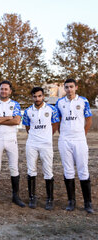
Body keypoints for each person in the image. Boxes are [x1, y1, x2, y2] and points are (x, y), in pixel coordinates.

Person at [55, 79, 93, 213]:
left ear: (76, 87)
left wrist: (83, 134)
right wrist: (64, 133)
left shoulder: (84, 101)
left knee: (83, 170)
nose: (69, 89)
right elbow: (58, 120)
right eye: (67, 87)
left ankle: (88, 203)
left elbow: (88, 119)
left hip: (80, 140)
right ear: (64, 89)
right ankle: (71, 201)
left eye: (71, 87)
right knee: (68, 170)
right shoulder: (59, 102)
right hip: (65, 140)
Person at [0, 80, 25, 207]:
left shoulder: (15, 104)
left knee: (14, 167)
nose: (3, 91)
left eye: (6, 89)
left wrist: (0, 120)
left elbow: (17, 121)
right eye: (1, 89)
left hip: (11, 140)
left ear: (10, 91)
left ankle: (16, 196)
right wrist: (9, 117)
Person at [22, 87, 59, 210]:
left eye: (39, 96)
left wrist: (46, 136)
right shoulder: (27, 111)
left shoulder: (51, 109)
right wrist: (35, 136)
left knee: (48, 171)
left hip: (46, 144)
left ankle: (50, 199)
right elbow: (27, 127)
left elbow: (55, 124)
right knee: (31, 170)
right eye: (34, 96)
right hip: (32, 144)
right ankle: (32, 197)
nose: (37, 99)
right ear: (32, 97)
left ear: (43, 96)